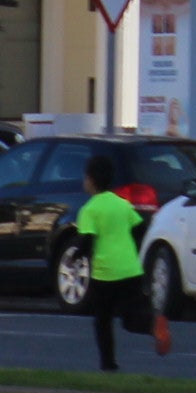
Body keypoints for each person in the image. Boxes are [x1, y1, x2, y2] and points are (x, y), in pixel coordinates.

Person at [72, 153, 153, 374]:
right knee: (131, 318)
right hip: (131, 269)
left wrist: (75, 256)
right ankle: (154, 325)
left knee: (103, 321)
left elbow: (86, 241)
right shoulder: (123, 204)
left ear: (90, 180)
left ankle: (108, 364)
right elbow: (140, 229)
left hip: (105, 274)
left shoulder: (89, 209)